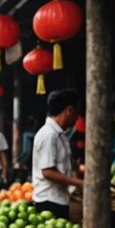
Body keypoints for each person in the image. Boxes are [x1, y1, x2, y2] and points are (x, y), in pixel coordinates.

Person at [32, 89, 82, 219]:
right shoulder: (49, 135)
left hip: (58, 199)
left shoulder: (60, 134)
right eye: (76, 112)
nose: (77, 118)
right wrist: (79, 183)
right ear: (69, 110)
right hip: (49, 202)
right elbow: (47, 172)